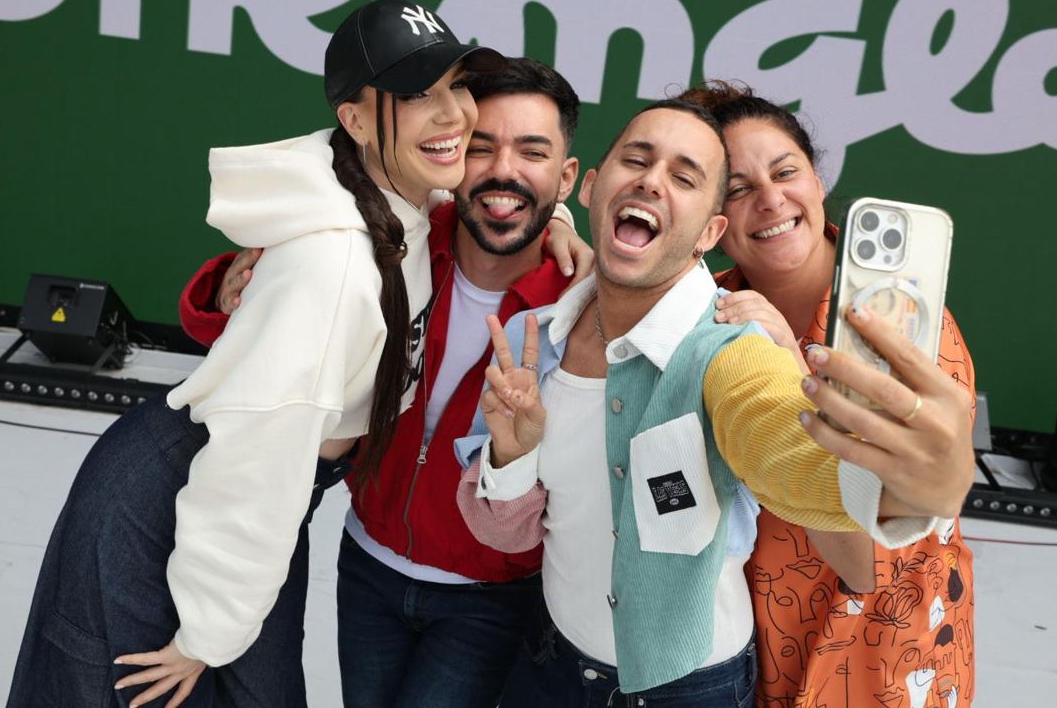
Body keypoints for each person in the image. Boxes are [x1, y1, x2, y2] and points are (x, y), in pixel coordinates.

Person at [6, 0, 506, 708]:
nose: (454, 113)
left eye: (458, 83)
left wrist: (552, 231)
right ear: (356, 120)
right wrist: (203, 636)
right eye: (416, 93)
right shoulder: (332, 268)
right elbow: (256, 461)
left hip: (243, 502)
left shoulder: (393, 204)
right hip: (188, 501)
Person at [456, 99, 974, 706]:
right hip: (557, 658)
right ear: (592, 189)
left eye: (685, 176)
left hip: (853, 653)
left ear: (708, 233)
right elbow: (509, 532)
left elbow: (774, 431)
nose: (652, 180)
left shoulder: (731, 344)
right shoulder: (538, 338)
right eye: (638, 161)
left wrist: (899, 490)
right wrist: (512, 455)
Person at [181, 57, 586, 707]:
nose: (505, 169)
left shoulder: (579, 304)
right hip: (367, 565)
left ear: (565, 176)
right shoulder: (397, 239)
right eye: (482, 146)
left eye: (532, 151)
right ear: (453, 153)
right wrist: (230, 291)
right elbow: (268, 315)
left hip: (487, 598)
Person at [694, 82, 978, 707]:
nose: (769, 201)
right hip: (743, 642)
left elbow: (867, 565)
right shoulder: (705, 306)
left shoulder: (907, 336)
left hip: (881, 653)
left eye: (785, 171)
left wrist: (786, 370)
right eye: (737, 189)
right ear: (712, 219)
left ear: (818, 181)